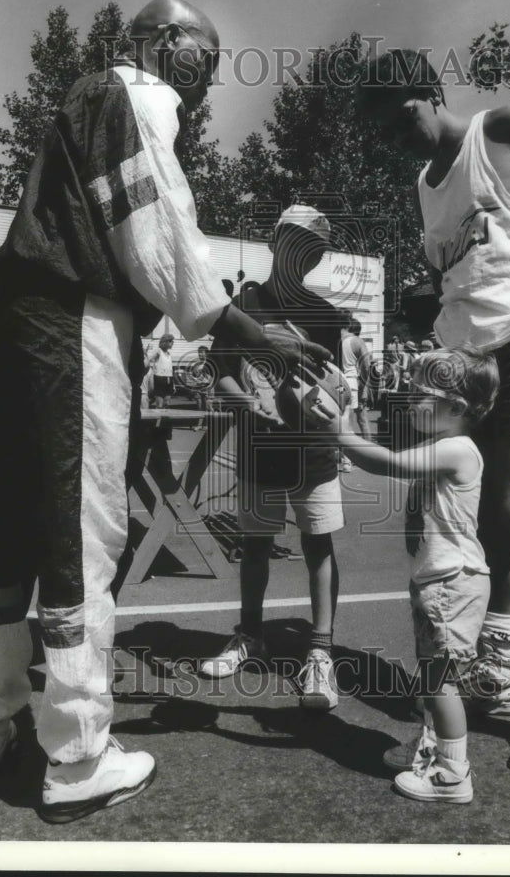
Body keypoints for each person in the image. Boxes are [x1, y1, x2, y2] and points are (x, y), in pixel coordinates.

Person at [0, 0, 331, 822]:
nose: (211, 75)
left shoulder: (83, 96)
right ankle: (78, 754)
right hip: (74, 316)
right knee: (80, 532)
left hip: (13, 312)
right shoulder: (136, 94)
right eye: (207, 51)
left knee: (7, 524)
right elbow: (161, 235)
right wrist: (252, 332)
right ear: (166, 41)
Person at [356, 49, 510, 775]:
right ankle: (501, 663)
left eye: (398, 123)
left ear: (428, 91)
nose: (394, 143)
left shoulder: (504, 130)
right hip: (465, 368)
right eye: (381, 138)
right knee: (481, 525)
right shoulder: (426, 186)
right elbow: (457, 277)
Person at [329, 348, 500, 803]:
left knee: (438, 681)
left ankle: (452, 773)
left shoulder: (457, 449)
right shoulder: (446, 444)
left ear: (457, 408)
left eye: (421, 393)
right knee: (430, 678)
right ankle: (431, 749)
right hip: (438, 580)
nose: (408, 398)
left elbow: (387, 463)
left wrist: (340, 433)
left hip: (452, 583)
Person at [199, 205, 345, 711]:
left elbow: (335, 387)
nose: (306, 254)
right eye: (298, 240)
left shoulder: (325, 315)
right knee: (255, 545)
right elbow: (220, 375)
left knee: (317, 545)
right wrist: (253, 406)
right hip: (260, 445)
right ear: (276, 239)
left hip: (313, 451)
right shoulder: (244, 305)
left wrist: (328, 406)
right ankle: (251, 634)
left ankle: (320, 652)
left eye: (317, 248)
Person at [339, 317, 373, 441]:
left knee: (342, 419)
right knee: (361, 419)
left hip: (337, 381)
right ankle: (368, 451)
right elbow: (366, 366)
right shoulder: (357, 341)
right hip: (353, 382)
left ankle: (342, 454)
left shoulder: (337, 340)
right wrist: (363, 386)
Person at [147, 333, 175, 408]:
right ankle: (157, 419)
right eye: (170, 341)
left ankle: (164, 419)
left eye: (172, 341)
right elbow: (148, 360)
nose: (172, 343)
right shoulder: (159, 351)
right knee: (159, 405)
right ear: (164, 342)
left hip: (169, 379)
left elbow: (170, 370)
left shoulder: (169, 354)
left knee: (167, 403)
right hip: (159, 379)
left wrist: (174, 384)